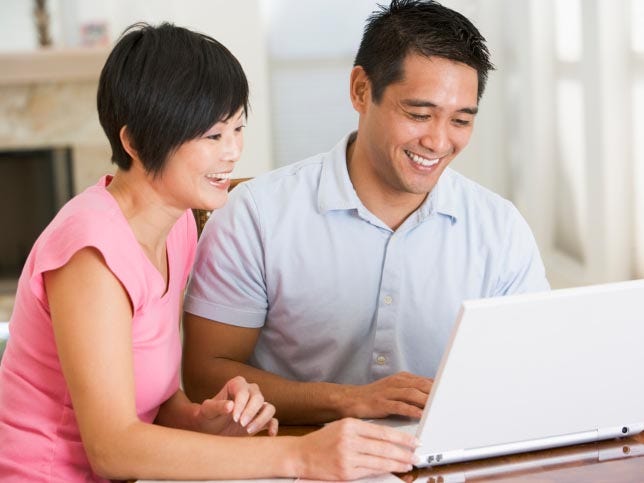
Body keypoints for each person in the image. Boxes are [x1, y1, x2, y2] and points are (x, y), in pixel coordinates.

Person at [0, 22, 418, 482]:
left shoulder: (178, 222)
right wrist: (300, 455)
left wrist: (205, 419)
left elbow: (154, 405)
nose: (234, 151)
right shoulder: (91, 254)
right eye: (213, 136)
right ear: (135, 142)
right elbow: (113, 447)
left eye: (237, 128)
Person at [183, 0, 550, 425]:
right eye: (419, 114)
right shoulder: (256, 216)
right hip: (295, 454)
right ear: (361, 90)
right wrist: (348, 400)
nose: (438, 141)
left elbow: (531, 370)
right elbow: (204, 376)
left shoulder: (499, 229)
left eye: (460, 121)